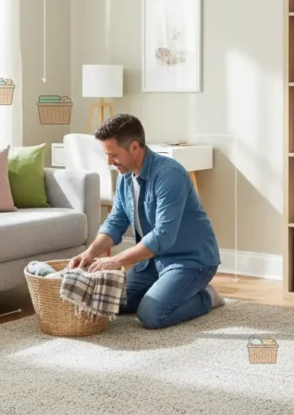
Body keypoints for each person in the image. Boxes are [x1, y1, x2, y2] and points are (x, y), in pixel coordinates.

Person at [69, 114, 223, 329]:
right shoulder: (125, 177)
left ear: (134, 147)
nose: (109, 162)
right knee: (113, 302)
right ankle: (167, 290)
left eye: (113, 155)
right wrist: (90, 253)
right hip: (151, 262)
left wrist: (116, 261)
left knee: (152, 315)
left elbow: (163, 235)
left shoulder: (169, 174)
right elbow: (116, 221)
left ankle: (206, 295)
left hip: (189, 261)